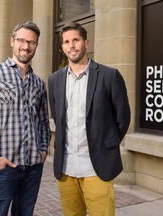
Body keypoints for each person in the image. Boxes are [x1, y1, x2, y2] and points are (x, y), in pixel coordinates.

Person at [48, 22, 131, 216]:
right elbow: (58, 118)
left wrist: (106, 145)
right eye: (66, 42)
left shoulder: (109, 76)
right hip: (66, 169)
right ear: (62, 47)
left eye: (75, 40)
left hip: (97, 168)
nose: (72, 46)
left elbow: (123, 118)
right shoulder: (55, 80)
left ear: (86, 42)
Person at [0, 21, 51, 216]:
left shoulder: (39, 84)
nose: (26, 46)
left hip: (32, 166)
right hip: (3, 165)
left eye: (32, 42)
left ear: (36, 46)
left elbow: (43, 122)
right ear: (12, 42)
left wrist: (43, 150)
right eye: (22, 40)